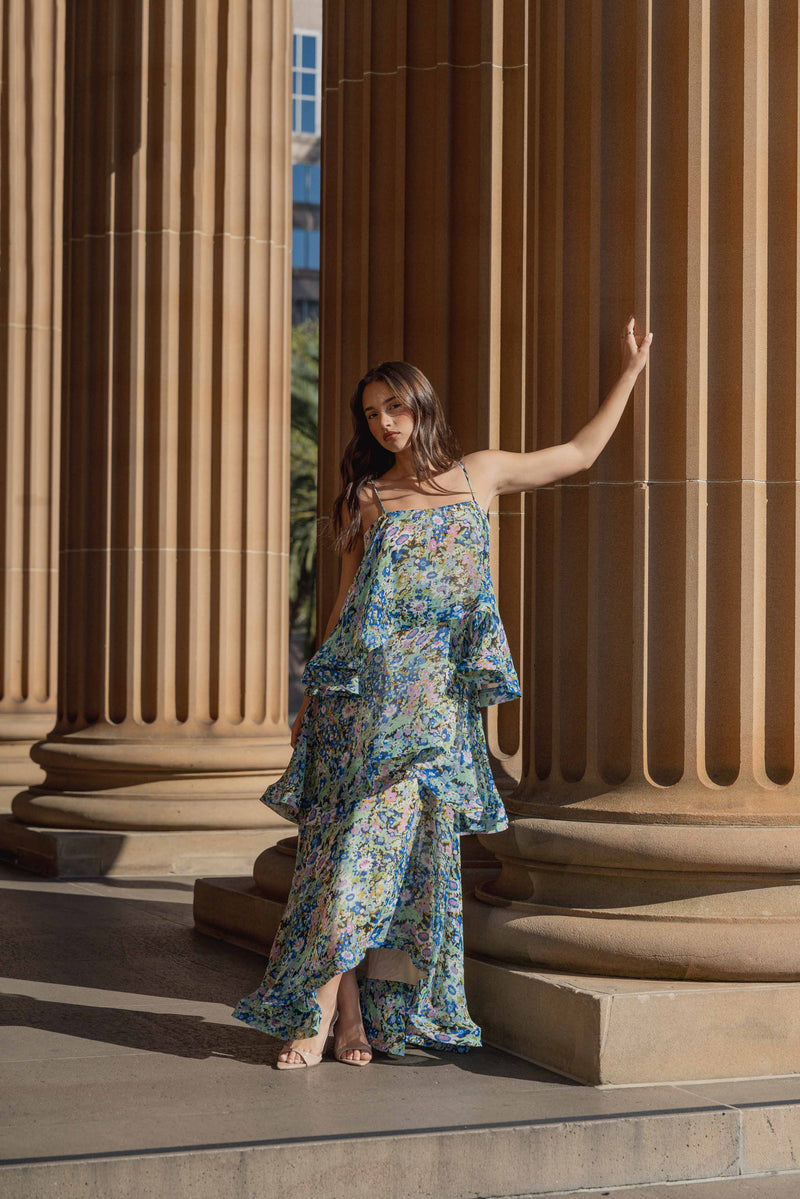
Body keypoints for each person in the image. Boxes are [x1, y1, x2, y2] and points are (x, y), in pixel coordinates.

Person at [231, 317, 653, 1069]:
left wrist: (630, 370)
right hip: (365, 697)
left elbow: (579, 454)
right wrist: (313, 690)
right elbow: (348, 600)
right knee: (345, 845)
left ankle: (344, 1011)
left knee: (394, 851)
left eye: (395, 406)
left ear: (420, 403)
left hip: (433, 704)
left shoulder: (477, 474)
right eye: (371, 414)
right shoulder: (369, 496)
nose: (385, 423)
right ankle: (334, 1011)